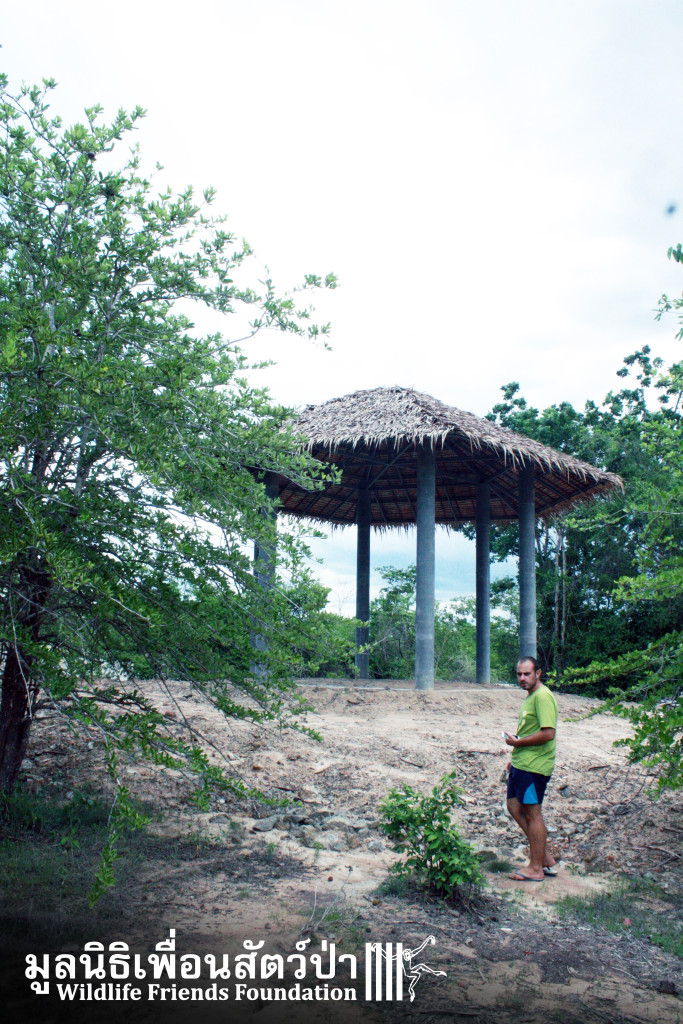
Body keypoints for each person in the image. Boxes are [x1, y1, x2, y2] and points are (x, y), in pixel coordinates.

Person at [503, 656, 558, 882]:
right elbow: (530, 730)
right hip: (522, 762)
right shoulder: (531, 696)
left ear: (538, 673)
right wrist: (514, 755)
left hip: (535, 766)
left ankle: (536, 869)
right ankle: (545, 858)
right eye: (519, 674)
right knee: (514, 806)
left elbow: (548, 733)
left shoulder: (543, 697)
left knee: (533, 814)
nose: (522, 678)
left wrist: (518, 743)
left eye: (527, 673)